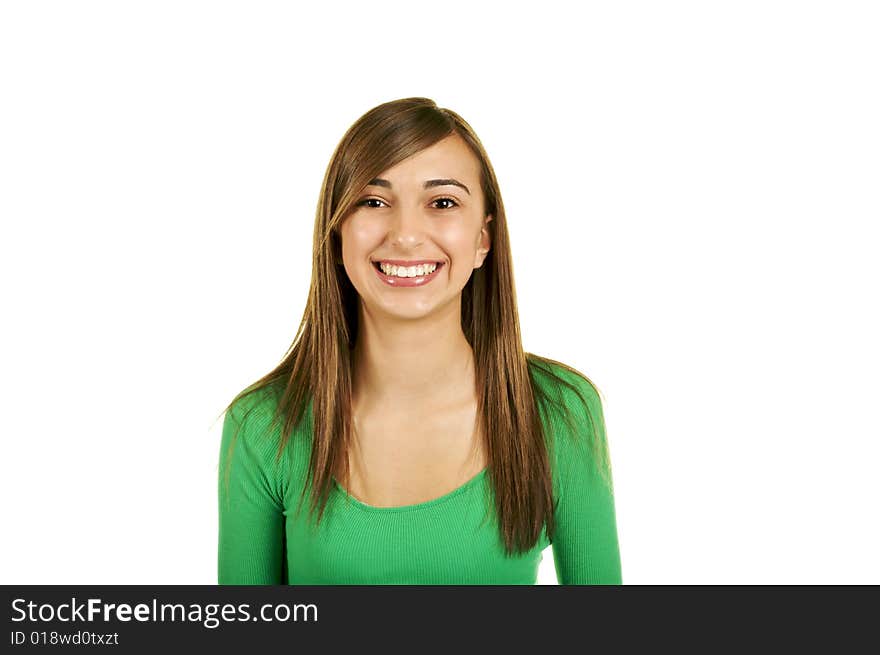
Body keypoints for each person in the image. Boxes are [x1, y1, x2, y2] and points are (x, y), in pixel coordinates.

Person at [217, 97, 622, 584]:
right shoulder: (264, 426)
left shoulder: (559, 412)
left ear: (482, 239)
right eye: (373, 201)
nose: (406, 235)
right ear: (337, 231)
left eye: (443, 203)